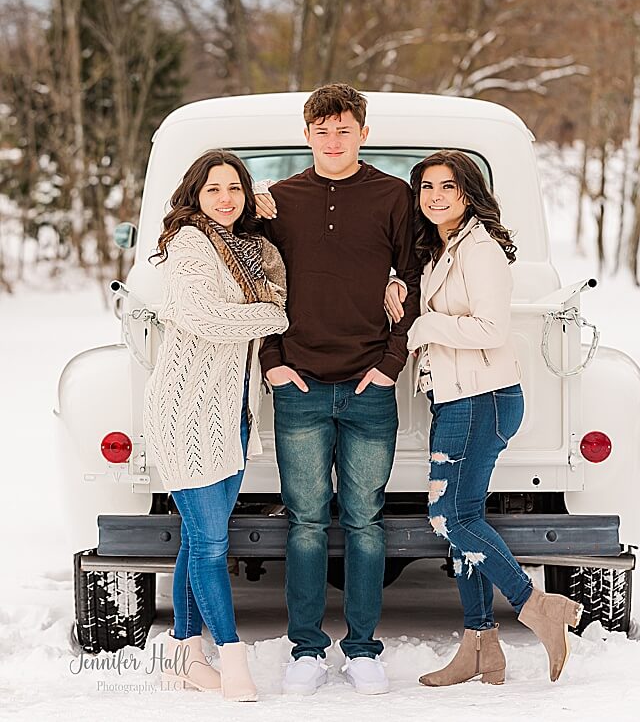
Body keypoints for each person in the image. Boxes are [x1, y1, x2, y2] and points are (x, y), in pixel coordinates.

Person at [253, 83, 423, 695]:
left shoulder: (393, 196)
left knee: (365, 523)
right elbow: (258, 287)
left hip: (368, 385)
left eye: (344, 129)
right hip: (298, 381)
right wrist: (273, 360)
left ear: (363, 133)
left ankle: (362, 649)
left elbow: (414, 279)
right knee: (303, 523)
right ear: (307, 136)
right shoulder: (279, 202)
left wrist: (390, 363)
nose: (333, 140)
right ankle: (305, 650)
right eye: (322, 130)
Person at [399, 150, 583, 687]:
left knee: (450, 517)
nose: (435, 196)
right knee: (463, 518)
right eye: (427, 187)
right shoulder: (444, 248)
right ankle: (481, 647)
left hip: (483, 398)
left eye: (447, 186)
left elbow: (490, 329)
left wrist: (425, 326)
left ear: (468, 193)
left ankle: (535, 605)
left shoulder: (480, 250)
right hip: (460, 398)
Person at [146, 150, 289, 702]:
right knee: (209, 545)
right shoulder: (188, 244)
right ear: (194, 196)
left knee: (196, 541)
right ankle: (233, 661)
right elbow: (209, 318)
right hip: (188, 415)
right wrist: (274, 314)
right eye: (213, 190)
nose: (224, 199)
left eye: (235, 189)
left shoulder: (243, 249)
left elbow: (273, 287)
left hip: (232, 414)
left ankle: (184, 655)